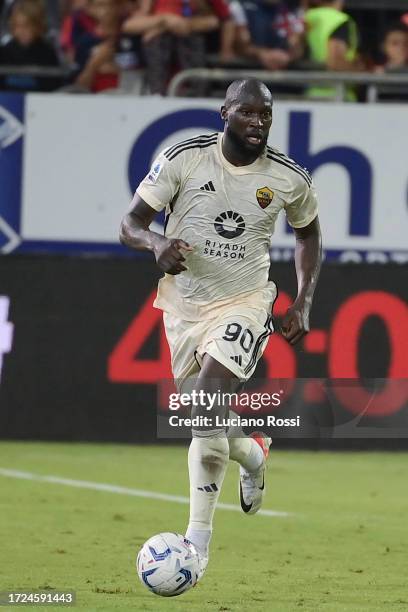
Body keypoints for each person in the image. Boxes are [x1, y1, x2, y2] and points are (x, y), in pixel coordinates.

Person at [119, 79, 321, 578]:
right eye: (248, 113)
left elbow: (309, 232)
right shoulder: (184, 159)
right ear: (224, 113)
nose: (258, 123)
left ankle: (196, 548)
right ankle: (253, 455)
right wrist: (155, 242)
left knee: (209, 398)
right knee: (205, 421)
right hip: (184, 309)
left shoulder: (288, 177)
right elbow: (129, 224)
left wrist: (302, 299)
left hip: (246, 302)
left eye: (266, 115)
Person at [305, 0, 362, 100]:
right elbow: (336, 62)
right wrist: (362, 73)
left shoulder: (306, 18)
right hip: (337, 96)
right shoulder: (339, 20)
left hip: (312, 93)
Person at [0, 0, 60, 91]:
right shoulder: (4, 52)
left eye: (27, 26)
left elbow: (53, 87)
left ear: (37, 26)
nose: (22, 31)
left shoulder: (47, 53)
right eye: (18, 26)